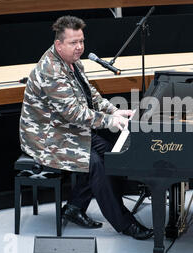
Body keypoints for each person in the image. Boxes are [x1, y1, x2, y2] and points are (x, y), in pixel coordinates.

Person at [19, 15, 153, 240]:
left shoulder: (72, 61)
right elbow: (74, 113)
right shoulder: (51, 70)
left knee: (111, 154)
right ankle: (125, 224)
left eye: (81, 41)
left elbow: (90, 94)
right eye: (74, 43)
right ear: (58, 44)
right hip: (45, 138)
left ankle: (74, 207)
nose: (80, 47)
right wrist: (109, 121)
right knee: (95, 164)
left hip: (65, 130)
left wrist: (112, 110)